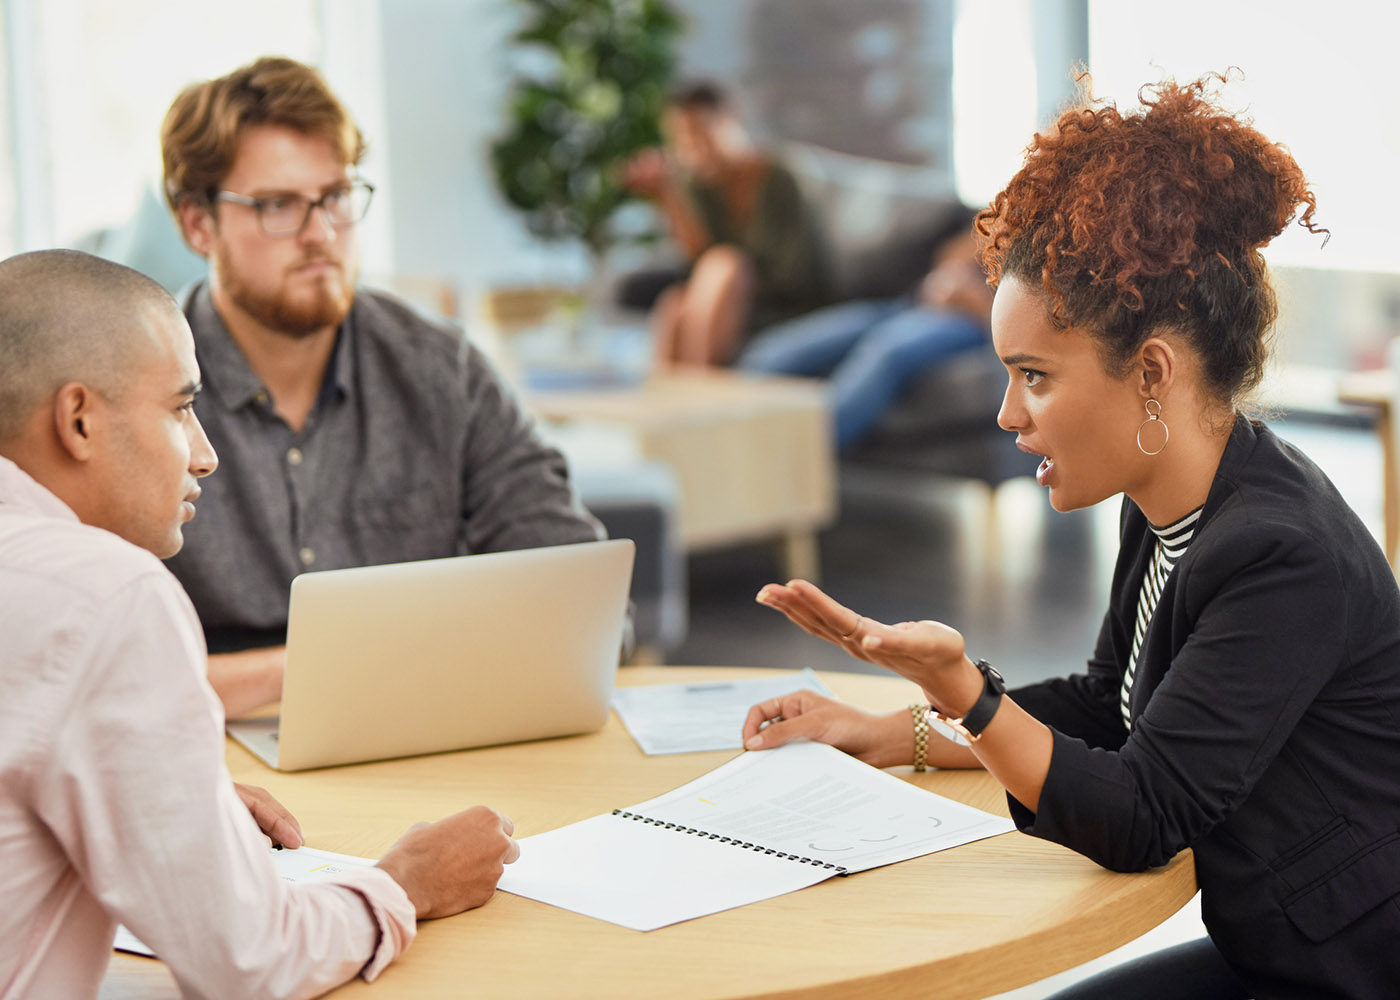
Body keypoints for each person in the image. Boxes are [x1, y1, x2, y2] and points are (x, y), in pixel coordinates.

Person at [741, 73, 1400, 999]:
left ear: (1152, 373)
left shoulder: (1281, 554)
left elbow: (1142, 815)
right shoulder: (1178, 497)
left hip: (1346, 970)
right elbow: (1107, 705)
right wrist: (890, 732)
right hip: (1278, 944)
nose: (1011, 413)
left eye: (1035, 377)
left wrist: (964, 692)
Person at [0, 249, 519, 999]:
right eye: (180, 408)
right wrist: (407, 883)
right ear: (78, 419)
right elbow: (248, 962)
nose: (204, 455)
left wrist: (160, 801)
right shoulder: (111, 595)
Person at [158, 57, 608, 717]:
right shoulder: (138, 393)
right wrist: (311, 671)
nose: (322, 234)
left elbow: (578, 600)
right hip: (210, 765)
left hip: (420, 730)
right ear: (198, 224)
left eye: (336, 196)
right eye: (279, 205)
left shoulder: (439, 367)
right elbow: (87, 668)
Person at [736, 204, 991, 451]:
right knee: (777, 351)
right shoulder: (1001, 214)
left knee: (887, 349)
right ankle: (726, 425)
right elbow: (953, 253)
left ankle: (800, 453)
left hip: (970, 321)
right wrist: (950, 277)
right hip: (912, 303)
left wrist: (971, 298)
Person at [621, 81, 831, 367]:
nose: (691, 148)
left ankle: (702, 392)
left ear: (729, 120)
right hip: (726, 301)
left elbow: (786, 275)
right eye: (680, 138)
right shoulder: (698, 187)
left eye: (698, 133)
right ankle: (664, 404)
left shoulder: (776, 177)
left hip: (786, 304)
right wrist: (667, 198)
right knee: (674, 303)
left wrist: (726, 277)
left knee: (725, 265)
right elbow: (698, 261)